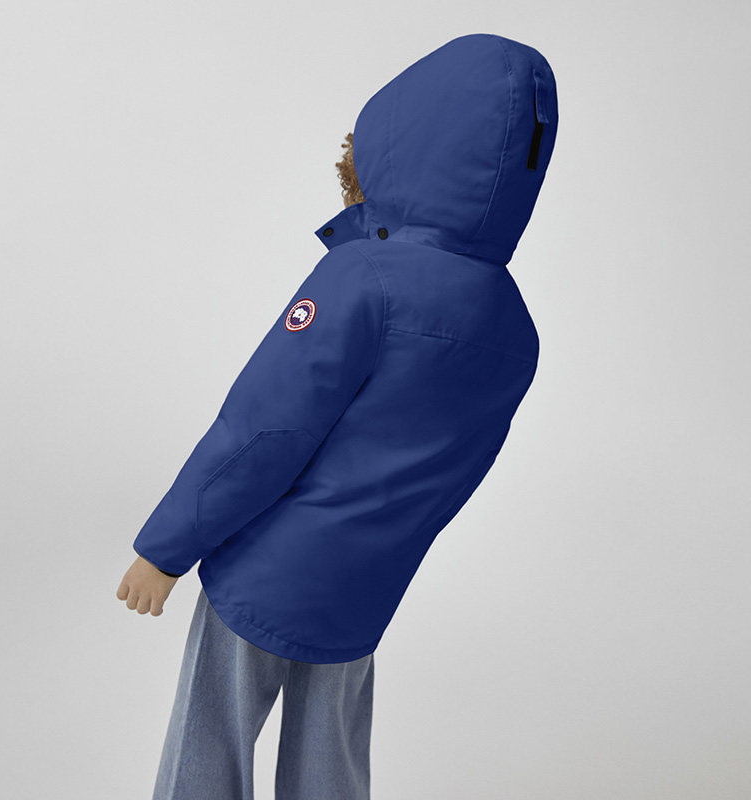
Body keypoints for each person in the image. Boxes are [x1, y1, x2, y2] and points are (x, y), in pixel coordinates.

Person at [116, 32, 558, 800]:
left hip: (265, 570)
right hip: (367, 588)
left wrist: (166, 549)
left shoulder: (361, 278)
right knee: (333, 764)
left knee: (208, 745)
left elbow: (262, 429)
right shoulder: (514, 328)